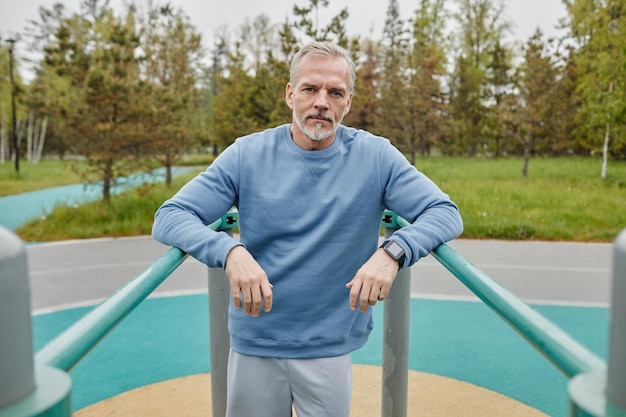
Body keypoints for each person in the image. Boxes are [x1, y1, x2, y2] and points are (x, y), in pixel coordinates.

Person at [152, 41, 463, 417]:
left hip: (328, 343)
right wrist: (229, 252)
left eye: (335, 92)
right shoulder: (247, 154)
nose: (322, 102)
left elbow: (444, 212)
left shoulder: (375, 156)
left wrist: (393, 252)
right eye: (310, 89)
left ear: (348, 101)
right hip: (256, 337)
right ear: (290, 94)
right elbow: (170, 215)